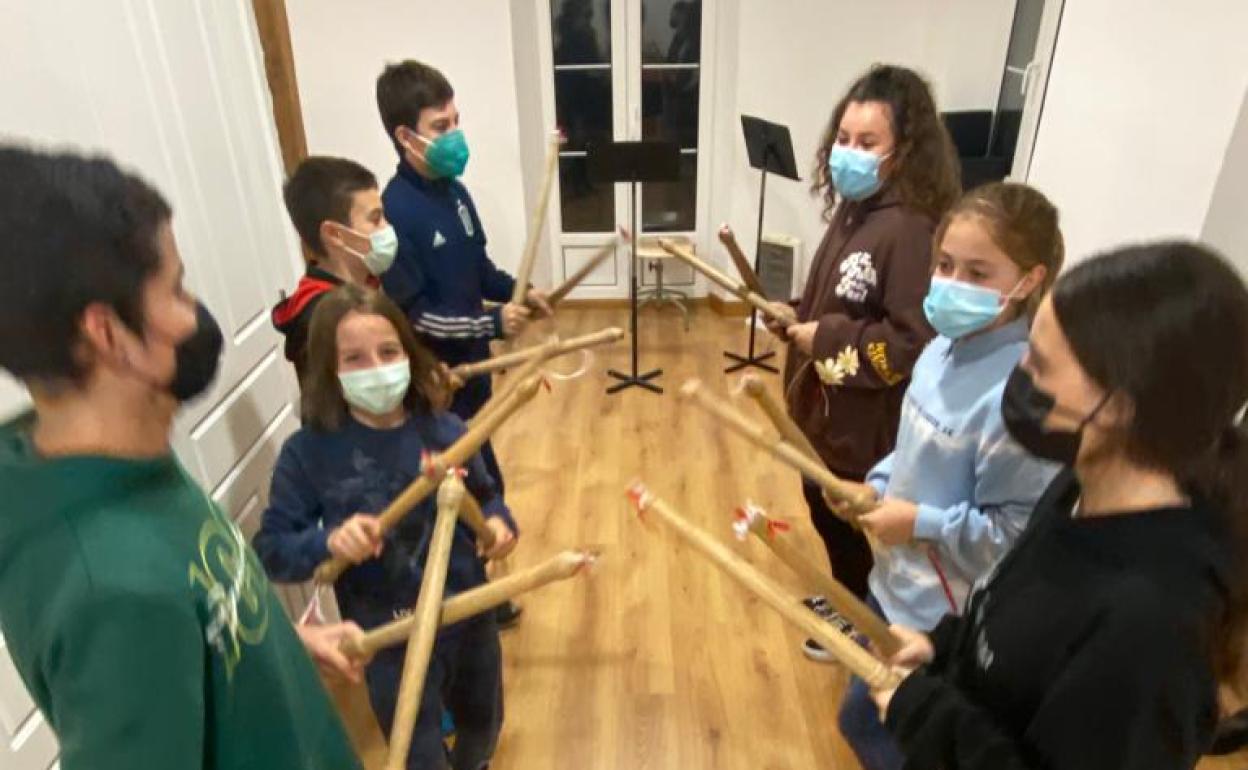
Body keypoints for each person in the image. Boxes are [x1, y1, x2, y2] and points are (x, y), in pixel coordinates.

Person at [0, 146, 365, 769]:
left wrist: (269, 649)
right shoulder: (109, 590)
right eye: (175, 288)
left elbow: (183, 628)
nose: (195, 312)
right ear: (108, 333)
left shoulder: (115, 465)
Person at [872, 241, 1248, 770]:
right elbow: (1004, 615)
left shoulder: (1149, 627)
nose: (1018, 375)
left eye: (1039, 364)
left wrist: (925, 714)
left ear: (1116, 408)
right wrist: (942, 649)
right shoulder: (1078, 486)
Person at [834, 183, 1065, 770]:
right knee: (861, 720)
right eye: (945, 264)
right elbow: (912, 442)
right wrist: (878, 485)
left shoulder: (1018, 394)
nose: (951, 283)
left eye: (977, 272)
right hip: (892, 585)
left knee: (886, 735)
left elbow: (1015, 536)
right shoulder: (941, 347)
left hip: (946, 615)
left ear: (1029, 280)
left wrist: (919, 522)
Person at [254, 284, 517, 770]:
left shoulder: (447, 431)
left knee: (483, 725)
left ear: (408, 354)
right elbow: (271, 550)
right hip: (388, 635)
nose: (375, 368)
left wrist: (499, 527)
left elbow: (488, 497)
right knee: (418, 752)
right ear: (330, 372)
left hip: (468, 615)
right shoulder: (308, 454)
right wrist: (327, 541)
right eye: (353, 358)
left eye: (388, 351)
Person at [768, 64, 961, 660]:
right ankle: (847, 591)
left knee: (849, 519)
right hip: (822, 409)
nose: (849, 153)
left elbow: (908, 342)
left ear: (903, 152)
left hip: (861, 425)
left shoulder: (908, 230)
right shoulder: (857, 210)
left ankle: (863, 613)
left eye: (867, 142)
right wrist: (796, 310)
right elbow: (840, 301)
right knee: (823, 511)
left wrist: (820, 336)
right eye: (844, 140)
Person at [374, 59, 551, 499]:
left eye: (456, 121)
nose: (454, 134)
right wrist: (492, 324)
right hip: (439, 384)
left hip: (476, 371)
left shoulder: (456, 193)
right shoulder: (393, 212)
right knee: (470, 497)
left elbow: (481, 271)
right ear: (405, 137)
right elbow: (416, 318)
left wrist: (522, 292)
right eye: (440, 126)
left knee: (485, 485)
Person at [272, 155, 398, 384]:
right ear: (335, 235)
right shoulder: (324, 317)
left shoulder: (365, 284)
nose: (387, 227)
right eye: (375, 219)